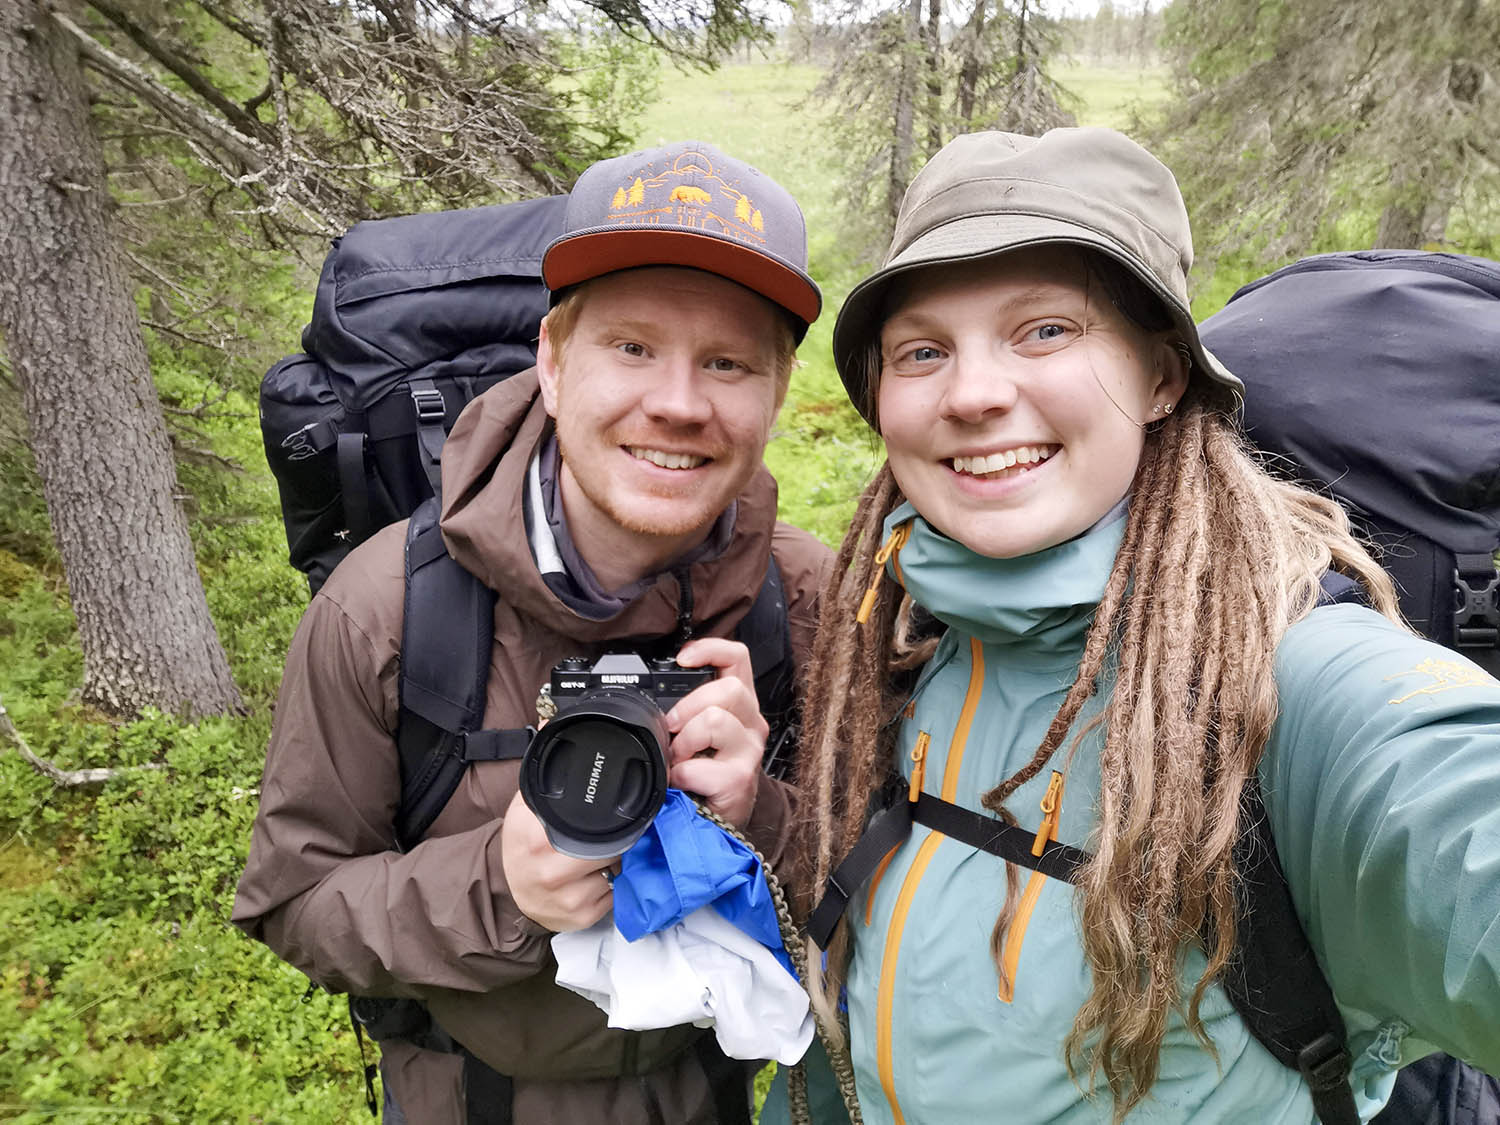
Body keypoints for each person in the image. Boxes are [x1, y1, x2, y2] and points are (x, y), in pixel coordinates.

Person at [789, 128, 1500, 1123]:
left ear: (1164, 377)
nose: (975, 392)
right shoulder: (908, 643)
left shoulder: (1297, 687)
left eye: (1046, 330)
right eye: (923, 350)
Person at [232, 140, 833, 1124]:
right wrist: (498, 888)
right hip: (469, 1099)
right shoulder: (388, 606)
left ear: (774, 396)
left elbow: (886, 891)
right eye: (632, 346)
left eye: (727, 362)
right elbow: (293, 902)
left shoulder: (800, 597)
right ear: (553, 361)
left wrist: (762, 814)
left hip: (718, 1095)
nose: (677, 404)